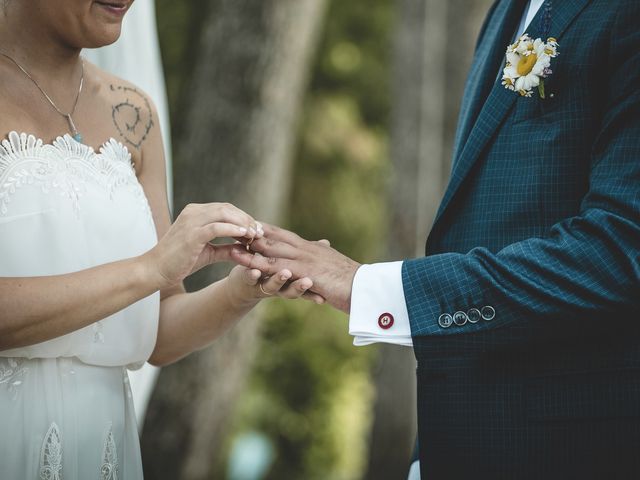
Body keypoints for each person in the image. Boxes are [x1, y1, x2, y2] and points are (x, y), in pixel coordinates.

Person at [232, 0, 640, 478]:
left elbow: (617, 251)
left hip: (571, 447)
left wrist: (370, 286)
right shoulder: (505, 11)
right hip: (459, 437)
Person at [0, 1, 319, 478]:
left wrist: (242, 290)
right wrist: (150, 267)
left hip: (104, 447)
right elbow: (150, 273)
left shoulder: (134, 114)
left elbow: (157, 333)